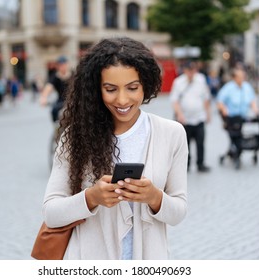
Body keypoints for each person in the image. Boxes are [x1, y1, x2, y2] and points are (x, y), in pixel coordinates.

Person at [42, 37, 188, 260]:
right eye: (110, 89)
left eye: (132, 88)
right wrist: (91, 198)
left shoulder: (172, 134)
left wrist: (154, 197)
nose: (122, 100)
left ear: (145, 85)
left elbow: (178, 213)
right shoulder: (75, 136)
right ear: (96, 89)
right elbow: (51, 214)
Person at [170, 61, 211, 172]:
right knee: (185, 144)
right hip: (185, 119)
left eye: (193, 70)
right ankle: (186, 165)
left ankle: (200, 163)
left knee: (200, 142)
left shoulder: (201, 80)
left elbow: (206, 97)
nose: (191, 73)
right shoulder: (178, 82)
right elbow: (174, 100)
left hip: (199, 117)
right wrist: (180, 114)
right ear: (185, 71)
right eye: (189, 70)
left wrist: (208, 113)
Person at [216, 66, 259, 165]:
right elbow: (219, 101)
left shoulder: (247, 87)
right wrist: (224, 110)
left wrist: (255, 109)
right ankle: (235, 151)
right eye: (240, 77)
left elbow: (252, 100)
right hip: (232, 118)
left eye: (243, 76)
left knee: (241, 135)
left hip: (243, 117)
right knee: (235, 135)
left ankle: (237, 150)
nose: (242, 78)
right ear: (234, 78)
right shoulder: (228, 88)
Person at [40, 55, 72, 122]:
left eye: (64, 64)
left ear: (67, 64)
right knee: (54, 110)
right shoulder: (55, 76)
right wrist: (44, 98)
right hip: (61, 101)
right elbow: (48, 87)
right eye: (60, 65)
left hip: (74, 100)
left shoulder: (73, 74)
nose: (63, 67)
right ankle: (56, 126)